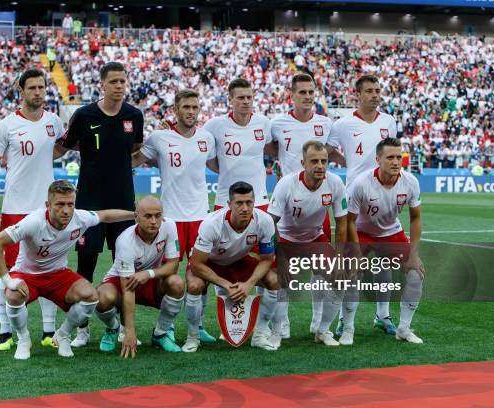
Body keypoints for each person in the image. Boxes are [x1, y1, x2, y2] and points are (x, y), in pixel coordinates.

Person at [0, 180, 135, 360]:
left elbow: (105, 216)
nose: (66, 210)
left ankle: (62, 334)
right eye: (60, 204)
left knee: (90, 296)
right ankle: (24, 339)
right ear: (48, 205)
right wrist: (8, 280)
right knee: (13, 295)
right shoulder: (33, 222)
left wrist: (135, 214)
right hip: (28, 275)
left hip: (58, 275)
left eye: (70, 204)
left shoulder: (80, 218)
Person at [56, 61, 144, 347]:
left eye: (123, 81)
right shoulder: (83, 115)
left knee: (124, 265)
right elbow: (64, 145)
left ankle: (122, 327)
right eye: (114, 82)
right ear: (102, 84)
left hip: (123, 202)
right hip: (89, 204)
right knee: (86, 263)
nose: (119, 86)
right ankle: (82, 328)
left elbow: (135, 149)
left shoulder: (134, 115)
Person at [0, 68, 64, 352]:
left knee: (49, 268)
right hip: (16, 208)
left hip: (47, 210)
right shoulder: (7, 125)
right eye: (32, 88)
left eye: (41, 87)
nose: (38, 92)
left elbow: (63, 147)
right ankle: (6, 332)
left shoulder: (54, 122)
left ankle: (49, 331)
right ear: (22, 90)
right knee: (10, 269)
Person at [132, 89, 217, 344]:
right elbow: (137, 159)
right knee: (166, 276)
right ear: (176, 110)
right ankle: (163, 328)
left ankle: (198, 325)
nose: (191, 112)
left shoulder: (207, 138)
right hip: (170, 219)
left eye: (195, 107)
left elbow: (216, 165)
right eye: (186, 107)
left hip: (201, 216)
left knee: (201, 275)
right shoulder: (159, 137)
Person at [270, 73, 345, 336]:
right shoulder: (277, 123)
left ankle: (317, 322)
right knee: (278, 271)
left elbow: (332, 153)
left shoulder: (326, 123)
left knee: (322, 266)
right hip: (289, 198)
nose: (308, 96)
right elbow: (269, 148)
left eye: (311, 92)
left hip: (317, 203)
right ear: (292, 95)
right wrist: (281, 165)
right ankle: (282, 323)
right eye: (302, 92)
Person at [325, 75, 399, 336]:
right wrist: (348, 164)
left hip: (384, 200)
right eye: (369, 91)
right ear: (357, 94)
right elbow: (327, 150)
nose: (375, 95)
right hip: (354, 202)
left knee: (384, 264)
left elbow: (392, 153)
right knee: (350, 265)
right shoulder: (343, 124)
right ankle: (346, 321)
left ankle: (383, 315)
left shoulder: (389, 121)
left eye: (378, 90)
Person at [343, 137, 425, 345]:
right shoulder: (361, 183)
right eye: (390, 157)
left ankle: (403, 329)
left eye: (399, 157)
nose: (396, 162)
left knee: (416, 275)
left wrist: (414, 255)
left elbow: (416, 219)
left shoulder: (410, 182)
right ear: (378, 159)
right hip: (362, 232)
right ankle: (347, 327)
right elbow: (350, 221)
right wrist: (355, 253)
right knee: (352, 272)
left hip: (391, 233)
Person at [184, 181, 281, 352]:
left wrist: (249, 284)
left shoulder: (264, 221)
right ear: (229, 204)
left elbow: (267, 259)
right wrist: (226, 285)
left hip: (238, 261)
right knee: (194, 285)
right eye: (239, 203)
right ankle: (193, 337)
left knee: (274, 280)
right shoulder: (212, 223)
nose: (245, 208)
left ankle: (259, 336)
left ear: (254, 202)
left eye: (249, 202)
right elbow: (197, 264)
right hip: (209, 264)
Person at [268, 141, 348, 345]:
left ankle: (322, 330)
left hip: (314, 238)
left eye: (324, 161)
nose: (320, 165)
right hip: (286, 238)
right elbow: (270, 225)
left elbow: (341, 225)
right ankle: (278, 330)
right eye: (314, 161)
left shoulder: (336, 183)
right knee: (275, 279)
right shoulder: (286, 184)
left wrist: (339, 259)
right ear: (303, 163)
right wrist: (282, 258)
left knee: (341, 278)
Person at [96, 196, 185, 357]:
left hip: (150, 280)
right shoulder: (125, 241)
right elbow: (128, 288)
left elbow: (173, 265)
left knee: (177, 283)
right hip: (123, 282)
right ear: (136, 217)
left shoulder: (169, 226)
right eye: (148, 216)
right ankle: (113, 328)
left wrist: (148, 273)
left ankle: (161, 334)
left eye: (158, 215)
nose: (153, 221)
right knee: (101, 298)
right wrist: (129, 332)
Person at [203, 79, 271, 212]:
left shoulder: (264, 123)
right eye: (241, 97)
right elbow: (203, 153)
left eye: (249, 97)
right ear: (230, 99)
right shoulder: (214, 125)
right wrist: (225, 168)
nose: (246, 101)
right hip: (226, 200)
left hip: (259, 199)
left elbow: (272, 148)